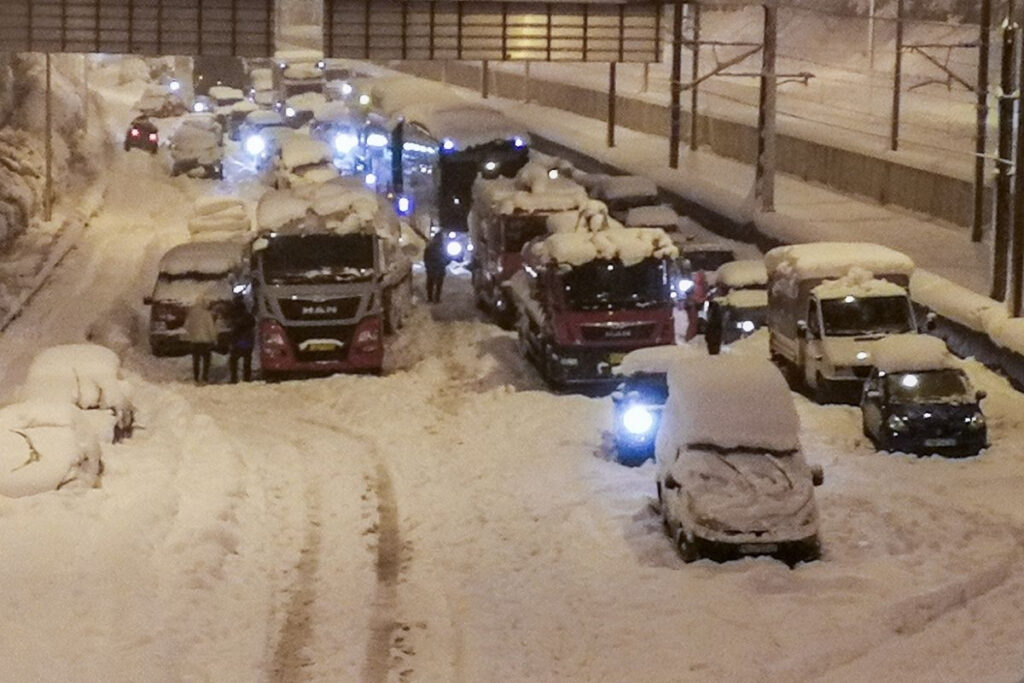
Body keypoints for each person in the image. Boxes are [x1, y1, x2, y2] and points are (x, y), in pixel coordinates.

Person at [184, 295, 219, 384]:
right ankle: (205, 377)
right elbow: (211, 328)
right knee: (206, 360)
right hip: (205, 341)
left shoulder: (191, 314)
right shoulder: (207, 314)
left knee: (196, 361)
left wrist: (192, 334)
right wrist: (214, 339)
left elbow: (186, 326)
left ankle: (196, 377)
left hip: (195, 341)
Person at [228, 294, 256, 383]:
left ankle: (234, 378)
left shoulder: (234, 315)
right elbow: (253, 324)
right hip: (247, 340)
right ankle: (246, 378)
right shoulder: (248, 316)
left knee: (234, 359)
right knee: (247, 360)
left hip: (238, 340)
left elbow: (234, 328)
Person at [423, 231, 448, 303]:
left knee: (430, 283)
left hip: (431, 268)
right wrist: (445, 264)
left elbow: (425, 257)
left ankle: (430, 298)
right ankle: (437, 298)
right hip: (440, 268)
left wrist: (427, 266)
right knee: (438, 284)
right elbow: (446, 258)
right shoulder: (442, 248)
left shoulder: (429, 246)